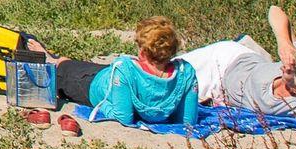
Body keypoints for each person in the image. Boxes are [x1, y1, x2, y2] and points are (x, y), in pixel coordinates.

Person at [181, 5, 296, 128]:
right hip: (227, 61)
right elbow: (275, 10)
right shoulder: (293, 59)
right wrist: (284, 42)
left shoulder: (293, 104)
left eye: (290, 69)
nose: (285, 67)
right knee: (171, 69)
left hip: (220, 87)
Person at [28, 17, 198, 127]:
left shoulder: (125, 71)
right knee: (83, 66)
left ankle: (51, 59)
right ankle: (58, 59)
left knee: (64, 70)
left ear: (143, 52)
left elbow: (123, 117)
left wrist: (105, 104)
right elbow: (187, 121)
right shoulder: (186, 73)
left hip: (94, 85)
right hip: (109, 75)